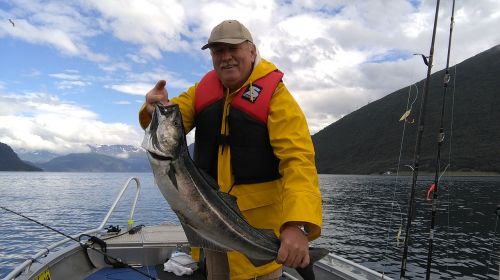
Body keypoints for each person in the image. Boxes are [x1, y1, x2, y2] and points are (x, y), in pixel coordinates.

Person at [139, 19, 322, 280]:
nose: (225, 58)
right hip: (211, 227)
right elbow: (169, 119)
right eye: (217, 51)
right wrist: (152, 109)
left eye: (232, 49)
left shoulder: (277, 98)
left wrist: (294, 225)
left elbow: (298, 162)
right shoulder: (201, 91)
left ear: (252, 50)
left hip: (256, 231)